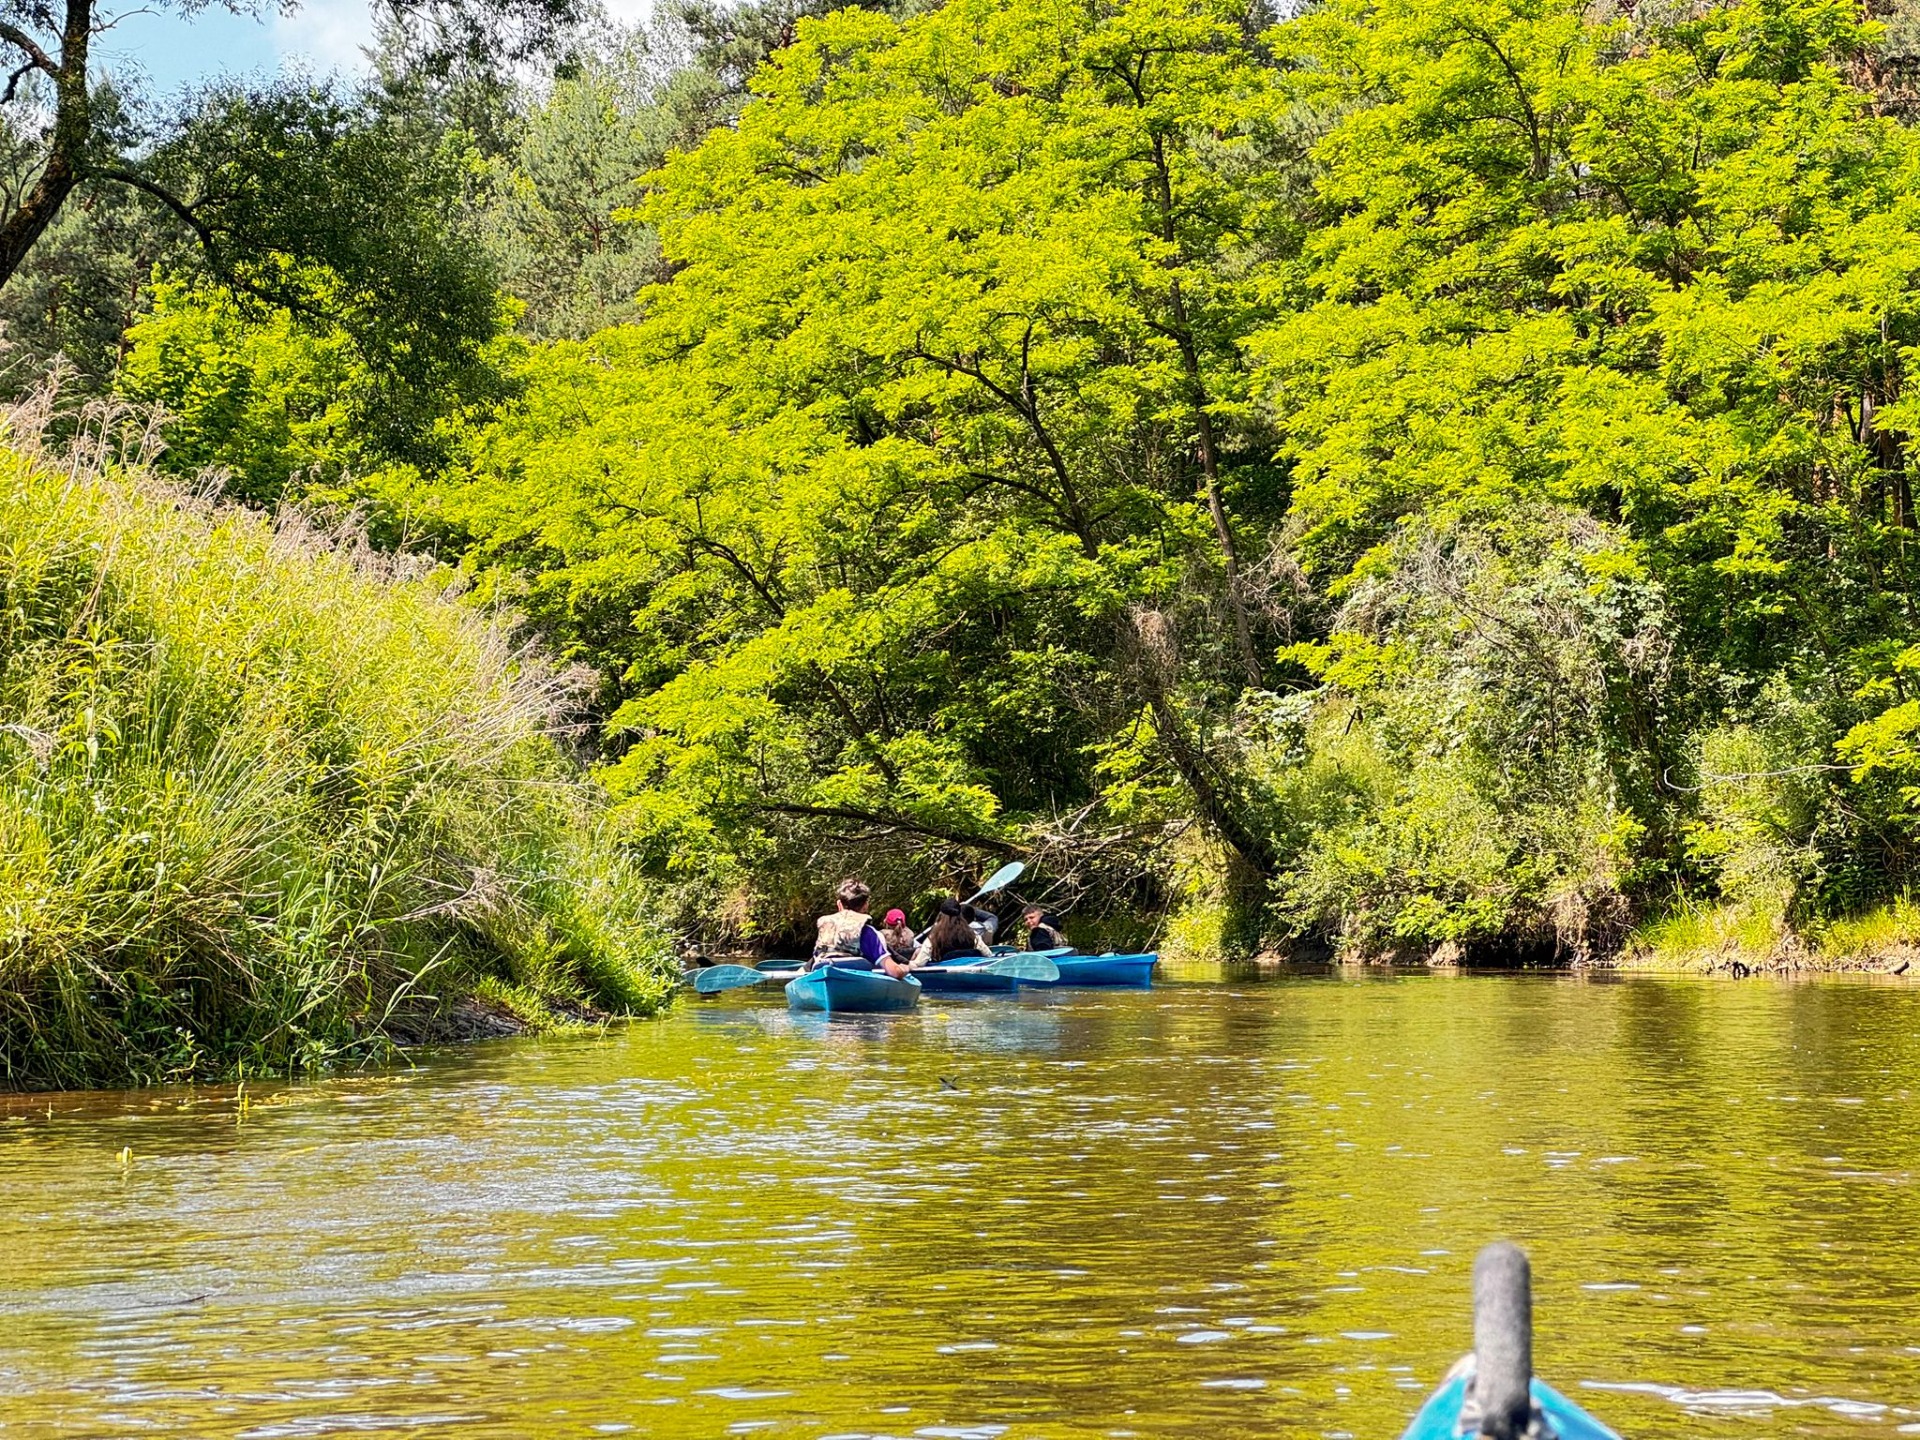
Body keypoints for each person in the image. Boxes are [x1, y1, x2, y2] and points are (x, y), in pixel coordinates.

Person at [812, 878, 888, 971]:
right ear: (866, 905)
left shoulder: (826, 929)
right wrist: (903, 969)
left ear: (839, 904)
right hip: (858, 976)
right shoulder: (868, 932)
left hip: (826, 969)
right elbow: (894, 971)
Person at [913, 899, 993, 968]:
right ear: (960, 915)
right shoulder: (972, 934)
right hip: (970, 974)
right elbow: (988, 955)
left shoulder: (934, 938)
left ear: (940, 916)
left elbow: (919, 963)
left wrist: (908, 964)